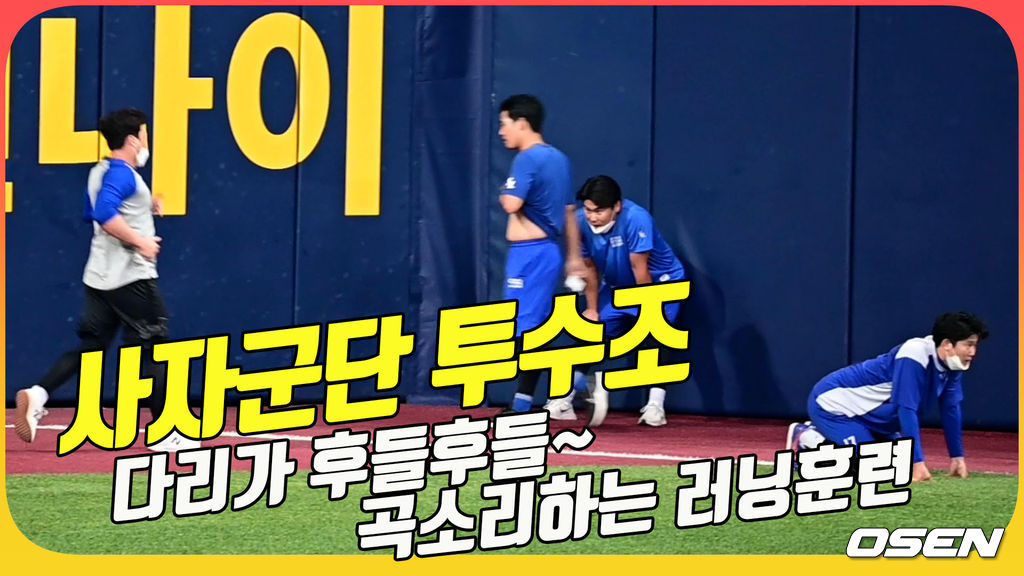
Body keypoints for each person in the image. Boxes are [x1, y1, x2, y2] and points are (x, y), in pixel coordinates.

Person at [14, 108, 198, 452]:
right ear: (132, 140)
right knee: (155, 349)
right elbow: (103, 213)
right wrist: (141, 241)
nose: (146, 142)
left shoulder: (99, 171)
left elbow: (94, 210)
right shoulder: (123, 175)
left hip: (99, 278)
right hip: (131, 278)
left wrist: (146, 206)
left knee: (91, 349)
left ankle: (38, 393)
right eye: (144, 135)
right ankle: (165, 432)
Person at [544, 175, 687, 427]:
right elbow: (589, 268)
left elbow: (640, 268)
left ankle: (655, 406)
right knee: (591, 332)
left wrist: (648, 312)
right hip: (619, 285)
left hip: (660, 282)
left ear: (617, 206)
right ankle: (564, 399)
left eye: (599, 211)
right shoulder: (581, 221)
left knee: (656, 334)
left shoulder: (636, 218)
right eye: (588, 210)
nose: (592, 217)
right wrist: (591, 309)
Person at [787, 312, 988, 482]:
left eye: (975, 345)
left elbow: (950, 408)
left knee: (897, 466)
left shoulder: (953, 364)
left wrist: (957, 457)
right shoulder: (914, 353)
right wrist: (917, 463)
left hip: (869, 415)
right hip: (833, 405)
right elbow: (906, 409)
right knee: (872, 469)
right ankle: (807, 439)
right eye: (968, 345)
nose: (973, 352)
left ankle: (842, 441)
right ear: (947, 344)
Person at [497, 94, 587, 414]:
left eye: (504, 124)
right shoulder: (560, 159)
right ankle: (526, 400)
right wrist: (574, 257)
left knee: (528, 329)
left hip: (529, 254)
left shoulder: (527, 159)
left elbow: (511, 203)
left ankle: (574, 382)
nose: (501, 132)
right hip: (547, 252)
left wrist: (504, 192)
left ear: (522, 123)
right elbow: (569, 212)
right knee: (531, 326)